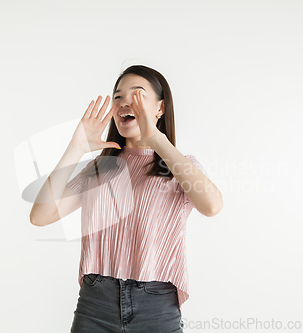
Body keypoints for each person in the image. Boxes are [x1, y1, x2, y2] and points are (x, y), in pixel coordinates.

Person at [30, 65, 223, 332]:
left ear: (160, 108)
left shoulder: (179, 167)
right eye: (118, 96)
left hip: (156, 306)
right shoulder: (101, 167)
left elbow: (212, 206)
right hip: (95, 304)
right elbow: (40, 216)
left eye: (138, 94)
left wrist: (156, 138)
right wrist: (75, 148)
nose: (124, 103)